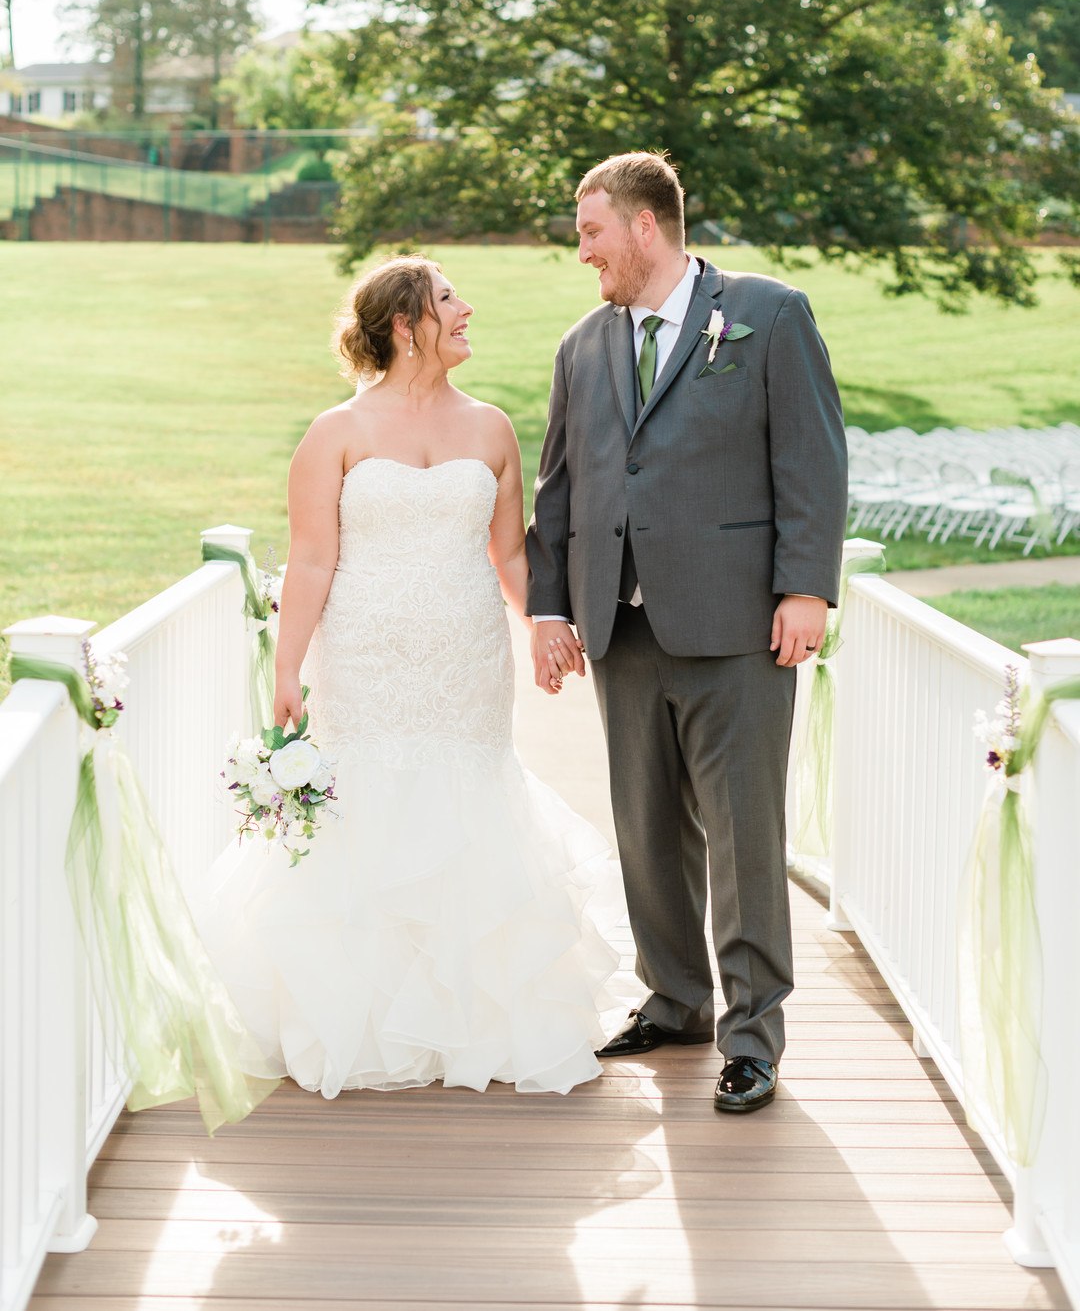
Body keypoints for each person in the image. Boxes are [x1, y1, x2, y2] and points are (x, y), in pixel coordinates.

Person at [190, 256, 629, 1098]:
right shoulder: (335, 433)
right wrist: (289, 669)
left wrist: (542, 621)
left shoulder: (493, 427)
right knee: (370, 804)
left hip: (465, 657)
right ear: (403, 324)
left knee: (466, 796)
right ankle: (358, 1022)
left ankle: (468, 1026)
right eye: (449, 300)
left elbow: (508, 552)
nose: (468, 310)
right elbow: (314, 560)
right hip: (366, 657)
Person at [526, 152, 848, 1114]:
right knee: (647, 831)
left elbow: (812, 459)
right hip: (621, 633)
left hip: (738, 625)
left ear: (644, 228)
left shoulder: (768, 314)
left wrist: (806, 589)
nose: (582, 253)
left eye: (591, 232)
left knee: (746, 838)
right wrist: (551, 607)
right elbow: (558, 489)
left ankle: (752, 1036)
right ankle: (674, 999)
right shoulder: (583, 345)